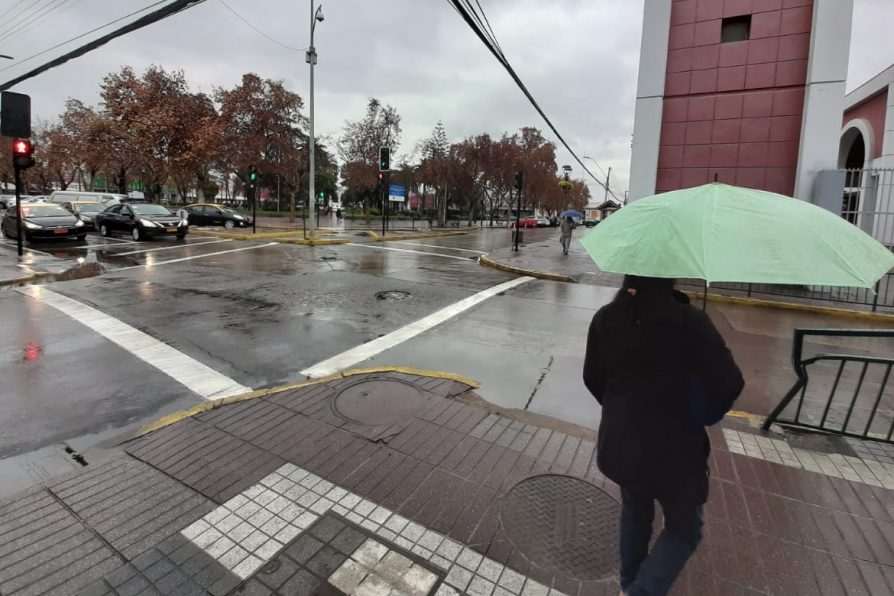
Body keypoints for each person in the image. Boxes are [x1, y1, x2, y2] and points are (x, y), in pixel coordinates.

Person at [583, 276, 743, 596]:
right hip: (676, 451)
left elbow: (592, 378)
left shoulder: (607, 317)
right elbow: (729, 384)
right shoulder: (690, 322)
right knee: (684, 530)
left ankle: (629, 585)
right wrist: (702, 410)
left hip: (623, 441)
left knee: (635, 510)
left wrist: (621, 407)